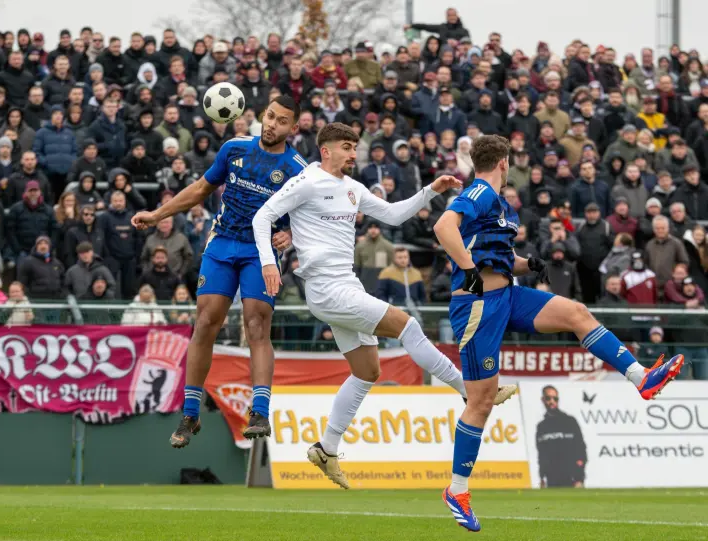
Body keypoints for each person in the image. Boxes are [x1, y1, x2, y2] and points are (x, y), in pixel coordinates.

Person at [431, 134, 684, 532]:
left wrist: (527, 263)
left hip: (507, 295)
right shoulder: (479, 190)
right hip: (477, 305)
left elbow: (491, 256)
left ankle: (642, 378)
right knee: (480, 402)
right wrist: (466, 269)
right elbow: (444, 226)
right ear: (504, 163)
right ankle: (457, 489)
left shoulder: (496, 203)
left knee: (577, 312)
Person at [252, 123, 517, 490]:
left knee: (367, 370)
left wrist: (429, 191)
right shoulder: (307, 181)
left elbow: (392, 215)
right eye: (346, 147)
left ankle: (326, 448)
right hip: (327, 288)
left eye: (354, 147)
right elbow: (262, 216)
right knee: (407, 325)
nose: (352, 153)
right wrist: (268, 261)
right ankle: (466, 389)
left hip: (344, 285)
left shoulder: (351, 188)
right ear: (325, 150)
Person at [131, 96, 307, 447]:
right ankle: (190, 413)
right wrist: (157, 215)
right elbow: (199, 190)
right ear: (262, 116)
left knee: (256, 324)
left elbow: (314, 216)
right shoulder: (233, 149)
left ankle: (259, 410)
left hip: (261, 252)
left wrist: (294, 233)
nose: (273, 124)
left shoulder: (299, 169)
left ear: (293, 128)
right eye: (270, 116)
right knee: (206, 322)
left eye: (282, 120)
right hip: (223, 243)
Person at [535, 385, 587, 488]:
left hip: (572, 476)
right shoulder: (541, 426)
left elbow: (581, 448)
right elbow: (542, 455)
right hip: (552, 478)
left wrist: (579, 477)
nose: (552, 401)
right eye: (548, 398)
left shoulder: (569, 421)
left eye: (555, 398)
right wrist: (542, 477)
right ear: (543, 400)